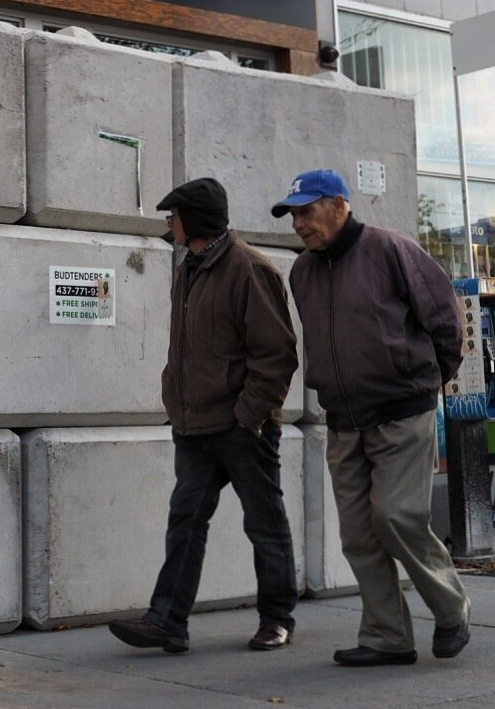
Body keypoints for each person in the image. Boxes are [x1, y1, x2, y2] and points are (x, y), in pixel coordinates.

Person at [271, 168, 470, 667]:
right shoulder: (303, 272)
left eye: (306, 211)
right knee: (359, 535)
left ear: (340, 205)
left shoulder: (390, 249)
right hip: (343, 420)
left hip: (402, 413)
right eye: (293, 214)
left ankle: (451, 607)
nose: (298, 223)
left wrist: (423, 380)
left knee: (396, 516)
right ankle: (387, 636)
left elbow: (445, 320)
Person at [109, 177, 299, 654]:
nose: (168, 223)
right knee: (185, 520)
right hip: (193, 427)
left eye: (172, 216)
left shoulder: (250, 270)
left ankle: (277, 619)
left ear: (194, 220)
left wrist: (248, 415)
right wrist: (175, 401)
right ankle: (168, 622)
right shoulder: (188, 269)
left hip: (243, 428)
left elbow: (276, 355)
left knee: (264, 523)